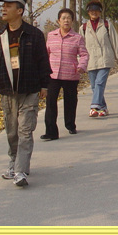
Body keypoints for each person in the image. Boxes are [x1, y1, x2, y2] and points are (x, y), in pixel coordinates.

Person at [0, 0, 51, 187]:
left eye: (9, 6)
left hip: (29, 91)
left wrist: (44, 85)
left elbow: (43, 61)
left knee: (25, 131)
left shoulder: (34, 35)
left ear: (19, 10)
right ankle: (13, 163)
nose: (4, 9)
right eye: (3, 5)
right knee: (12, 132)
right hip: (7, 92)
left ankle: (21, 171)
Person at [42, 8, 89, 140]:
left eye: (69, 18)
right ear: (59, 21)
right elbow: (46, 53)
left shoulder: (77, 38)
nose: (66, 20)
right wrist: (43, 70)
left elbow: (84, 54)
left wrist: (81, 66)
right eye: (63, 18)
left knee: (70, 102)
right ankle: (51, 132)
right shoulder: (51, 35)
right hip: (53, 75)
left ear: (72, 21)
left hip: (71, 74)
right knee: (50, 103)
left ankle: (70, 125)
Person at [80, 0, 118, 117]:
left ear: (100, 12)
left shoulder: (107, 25)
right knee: (94, 86)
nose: (94, 12)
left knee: (99, 83)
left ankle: (94, 106)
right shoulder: (83, 28)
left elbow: (115, 41)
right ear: (88, 12)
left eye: (96, 10)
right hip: (91, 61)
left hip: (105, 59)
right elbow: (80, 46)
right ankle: (103, 108)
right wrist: (80, 62)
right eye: (91, 10)